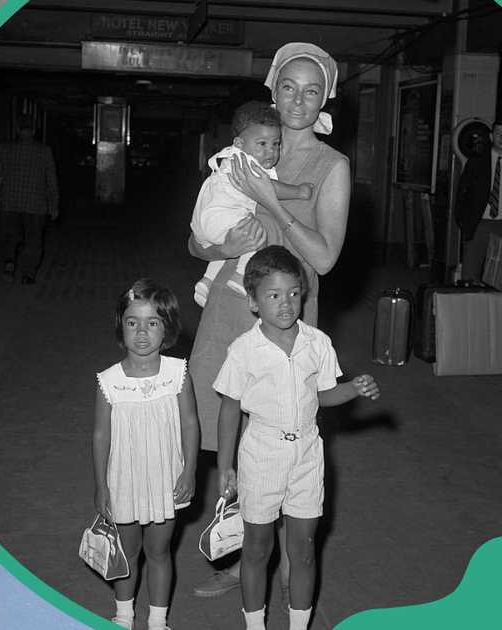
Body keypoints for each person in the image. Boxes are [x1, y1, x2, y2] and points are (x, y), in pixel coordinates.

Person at [188, 42, 352, 600]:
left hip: (286, 321)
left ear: (326, 96)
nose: (299, 100)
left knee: (287, 439)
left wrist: (272, 201)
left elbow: (326, 258)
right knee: (236, 442)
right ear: (272, 89)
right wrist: (221, 241)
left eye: (313, 90)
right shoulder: (247, 148)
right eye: (289, 86)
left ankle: (290, 558)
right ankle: (242, 553)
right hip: (229, 311)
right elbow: (196, 238)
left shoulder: (332, 166)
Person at [214, 246, 381, 630]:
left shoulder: (316, 343)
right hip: (261, 454)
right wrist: (226, 464)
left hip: (307, 452)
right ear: (254, 303)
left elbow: (322, 395)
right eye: (273, 295)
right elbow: (229, 408)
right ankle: (255, 625)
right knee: (257, 547)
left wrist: (353, 388)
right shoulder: (244, 351)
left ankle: (298, 624)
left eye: (293, 293)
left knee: (303, 548)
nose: (286, 304)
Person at [93, 279, 200, 630]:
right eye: (132, 322)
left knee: (159, 550)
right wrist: (101, 486)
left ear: (167, 328)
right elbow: (100, 434)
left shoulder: (177, 373)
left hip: (165, 480)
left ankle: (157, 620)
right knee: (128, 552)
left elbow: (189, 423)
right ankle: (123, 616)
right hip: (124, 478)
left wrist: (189, 471)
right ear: (120, 327)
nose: (141, 332)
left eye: (152, 323)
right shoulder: (109, 381)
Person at [190, 101, 313, 308]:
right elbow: (271, 189)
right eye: (262, 144)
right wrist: (299, 191)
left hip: (205, 223)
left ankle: (207, 282)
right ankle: (240, 277)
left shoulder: (229, 156)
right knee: (255, 233)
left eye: (276, 144)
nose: (271, 151)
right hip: (220, 216)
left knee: (230, 241)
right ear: (239, 144)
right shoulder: (244, 163)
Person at [0, 119, 59, 284]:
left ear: (17, 130)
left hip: (9, 201)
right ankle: (28, 274)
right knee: (34, 240)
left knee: (9, 235)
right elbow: (51, 180)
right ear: (34, 131)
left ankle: (9, 262)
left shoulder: (5, 148)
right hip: (36, 204)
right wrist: (54, 205)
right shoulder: (44, 151)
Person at [455, 120, 502, 281]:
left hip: (501, 225)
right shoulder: (477, 161)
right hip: (479, 223)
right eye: (498, 133)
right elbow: (462, 192)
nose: (501, 137)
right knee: (470, 275)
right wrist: (463, 220)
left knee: (496, 279)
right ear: (490, 136)